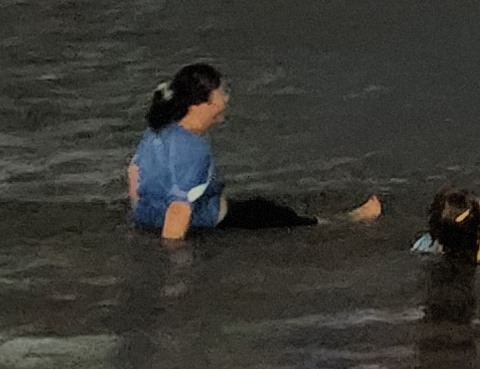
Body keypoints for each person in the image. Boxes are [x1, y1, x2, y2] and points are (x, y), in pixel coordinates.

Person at [125, 63, 382, 239]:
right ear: (201, 104)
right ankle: (348, 221)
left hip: (149, 220)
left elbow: (134, 172)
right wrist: (174, 263)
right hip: (207, 225)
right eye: (222, 93)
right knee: (277, 218)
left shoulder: (159, 130)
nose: (226, 100)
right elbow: (179, 210)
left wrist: (144, 219)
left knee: (263, 208)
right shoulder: (192, 149)